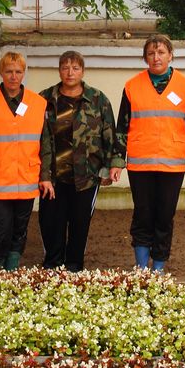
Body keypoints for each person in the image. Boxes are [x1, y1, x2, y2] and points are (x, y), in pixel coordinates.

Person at [113, 34, 185, 271]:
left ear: (171, 55)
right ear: (145, 58)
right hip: (140, 164)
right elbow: (122, 127)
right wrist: (117, 160)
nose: (156, 57)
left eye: (161, 52)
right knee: (143, 214)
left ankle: (158, 267)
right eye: (151, 53)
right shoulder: (132, 86)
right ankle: (141, 268)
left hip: (172, 164)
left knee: (164, 216)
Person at [38, 50, 123, 272]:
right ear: (59, 71)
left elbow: (109, 134)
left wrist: (113, 164)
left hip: (87, 175)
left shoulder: (98, 99)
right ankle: (52, 267)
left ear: (83, 71)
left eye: (75, 68)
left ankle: (74, 267)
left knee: (79, 223)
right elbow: (33, 136)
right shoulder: (44, 99)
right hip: (52, 176)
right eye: (65, 68)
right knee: (51, 223)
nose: (70, 72)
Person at [0, 52, 54, 270]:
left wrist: (45, 176)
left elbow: (45, 143)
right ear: (1, 72)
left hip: (27, 179)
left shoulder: (38, 103)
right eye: (9, 71)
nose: (13, 76)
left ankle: (12, 269)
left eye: (18, 71)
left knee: (20, 229)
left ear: (24, 73)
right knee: (1, 229)